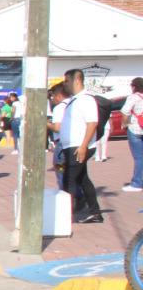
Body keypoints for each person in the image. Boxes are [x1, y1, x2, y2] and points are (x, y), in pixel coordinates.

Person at [59, 67, 103, 223]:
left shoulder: (86, 99)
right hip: (72, 145)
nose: (65, 84)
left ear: (77, 80)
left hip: (78, 146)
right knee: (83, 179)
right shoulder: (75, 99)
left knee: (69, 180)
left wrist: (83, 146)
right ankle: (95, 212)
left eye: (67, 81)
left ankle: (64, 217)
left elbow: (92, 123)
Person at [121, 77, 143, 192]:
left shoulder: (133, 97)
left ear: (134, 86)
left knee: (139, 158)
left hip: (135, 129)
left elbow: (125, 111)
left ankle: (137, 183)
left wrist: (126, 124)